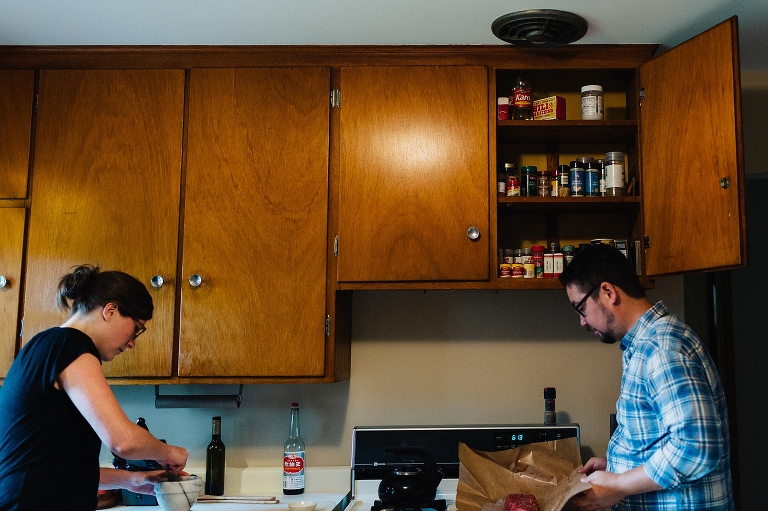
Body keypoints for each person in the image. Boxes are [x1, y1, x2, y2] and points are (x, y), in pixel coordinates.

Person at [559, 244, 733, 510]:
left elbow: (696, 448)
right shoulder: (646, 344)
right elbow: (662, 438)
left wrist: (617, 486)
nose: (582, 321)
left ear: (608, 292)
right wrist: (615, 468)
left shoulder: (661, 348)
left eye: (580, 308)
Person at [0, 265, 188, 511]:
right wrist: (167, 452)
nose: (132, 343)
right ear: (111, 310)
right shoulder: (69, 344)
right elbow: (124, 442)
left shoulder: (47, 345)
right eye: (136, 328)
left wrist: (132, 480)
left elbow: (52, 468)